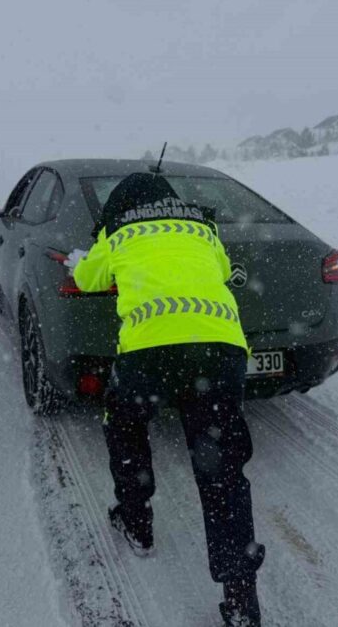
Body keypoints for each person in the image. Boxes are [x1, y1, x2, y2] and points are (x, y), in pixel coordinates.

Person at [70, 171, 264, 626]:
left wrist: (104, 247)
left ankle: (137, 523)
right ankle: (241, 600)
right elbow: (216, 271)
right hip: (220, 350)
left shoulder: (119, 232)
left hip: (149, 353)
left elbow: (86, 278)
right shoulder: (203, 228)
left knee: (126, 426)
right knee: (222, 472)